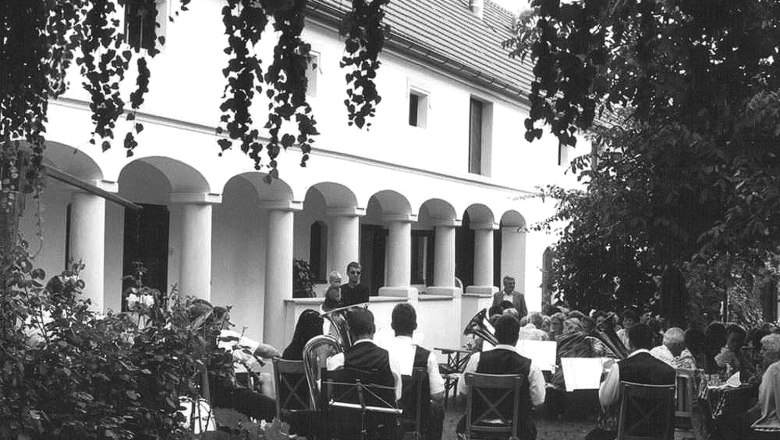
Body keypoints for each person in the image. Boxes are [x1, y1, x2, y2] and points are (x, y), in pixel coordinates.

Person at [188, 300, 279, 423]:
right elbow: (266, 351)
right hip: (224, 395)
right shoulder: (223, 335)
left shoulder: (184, 338)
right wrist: (282, 357)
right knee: (273, 408)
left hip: (198, 396)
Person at [456, 315, 546, 440]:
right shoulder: (530, 366)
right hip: (517, 429)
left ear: (496, 334)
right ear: (517, 336)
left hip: (477, 424)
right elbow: (539, 402)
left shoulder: (476, 359)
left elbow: (463, 394)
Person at [588, 324, 676, 440]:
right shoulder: (669, 371)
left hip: (626, 430)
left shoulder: (619, 367)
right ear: (652, 343)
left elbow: (605, 400)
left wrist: (606, 376)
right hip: (659, 433)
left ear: (629, 343)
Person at [326, 308, 403, 439]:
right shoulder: (391, 359)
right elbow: (397, 396)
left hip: (346, 429)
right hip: (380, 428)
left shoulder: (337, 361)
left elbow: (327, 397)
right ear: (373, 329)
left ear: (349, 332)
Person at [382, 303, 445, 440]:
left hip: (385, 417)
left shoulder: (382, 353)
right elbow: (438, 395)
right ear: (415, 326)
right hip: (414, 419)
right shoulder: (427, 356)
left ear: (392, 325)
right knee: (437, 407)